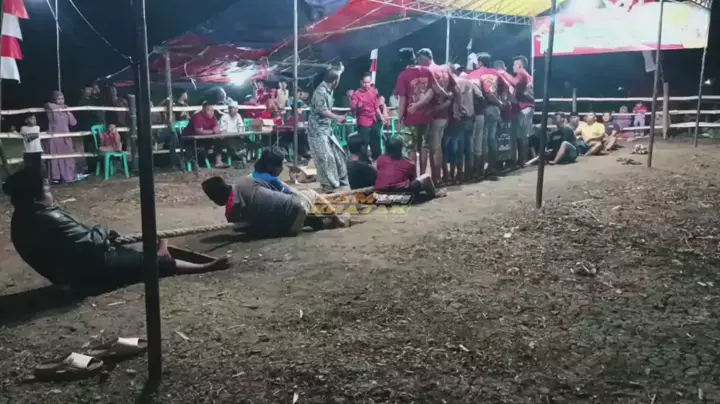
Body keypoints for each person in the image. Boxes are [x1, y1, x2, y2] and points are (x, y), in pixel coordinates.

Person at [3, 167, 230, 293]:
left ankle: (156, 256)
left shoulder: (26, 216)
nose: (51, 194)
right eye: (47, 190)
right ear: (35, 197)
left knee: (127, 253)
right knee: (152, 266)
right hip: (86, 275)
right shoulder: (46, 218)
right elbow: (90, 240)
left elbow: (78, 240)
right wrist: (103, 231)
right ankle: (202, 266)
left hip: (74, 269)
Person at [202, 148, 350, 237]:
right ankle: (338, 220)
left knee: (291, 207)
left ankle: (322, 222)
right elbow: (295, 195)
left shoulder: (232, 214)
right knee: (310, 194)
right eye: (281, 165)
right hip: (292, 218)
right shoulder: (246, 182)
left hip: (281, 228)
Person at [394, 47, 445, 176]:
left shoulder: (403, 76)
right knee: (424, 147)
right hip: (427, 117)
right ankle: (423, 176)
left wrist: (399, 119)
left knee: (411, 148)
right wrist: (448, 95)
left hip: (411, 117)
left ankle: (414, 177)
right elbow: (436, 89)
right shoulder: (426, 71)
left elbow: (402, 100)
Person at [415, 48, 454, 184]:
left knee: (427, 147)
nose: (418, 63)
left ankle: (430, 179)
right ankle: (438, 177)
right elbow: (455, 90)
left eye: (419, 60)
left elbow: (430, 91)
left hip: (431, 114)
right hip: (444, 115)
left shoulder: (427, 71)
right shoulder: (444, 70)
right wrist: (448, 102)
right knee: (437, 147)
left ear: (424, 58)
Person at [308, 67, 349, 192]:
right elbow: (323, 111)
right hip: (317, 130)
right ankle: (328, 184)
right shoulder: (320, 92)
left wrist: (340, 70)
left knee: (338, 153)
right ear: (335, 81)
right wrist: (338, 117)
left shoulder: (328, 89)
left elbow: (336, 75)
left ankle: (340, 179)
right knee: (325, 157)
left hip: (327, 128)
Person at [466, 52, 505, 180]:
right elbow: (505, 89)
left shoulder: (476, 74)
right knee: (492, 138)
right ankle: (491, 168)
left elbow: (485, 93)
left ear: (480, 62)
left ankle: (479, 170)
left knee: (481, 140)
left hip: (481, 109)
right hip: (494, 108)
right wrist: (500, 102)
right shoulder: (496, 73)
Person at [375, 136, 445, 200]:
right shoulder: (409, 162)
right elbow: (413, 180)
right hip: (401, 192)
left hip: (381, 191)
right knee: (426, 177)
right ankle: (435, 193)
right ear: (401, 148)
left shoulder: (380, 159)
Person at [445, 72, 483, 183]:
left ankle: (459, 174)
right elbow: (480, 95)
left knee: (459, 147)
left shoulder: (455, 83)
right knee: (469, 146)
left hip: (461, 117)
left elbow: (453, 96)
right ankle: (468, 173)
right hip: (471, 116)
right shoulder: (469, 82)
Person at [45, 91, 79, 184]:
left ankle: (68, 175)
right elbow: (47, 105)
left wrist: (67, 111)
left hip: (65, 135)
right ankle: (56, 177)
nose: (61, 101)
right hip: (55, 136)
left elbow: (73, 123)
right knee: (56, 156)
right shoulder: (51, 108)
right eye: (58, 99)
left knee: (67, 155)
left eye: (62, 99)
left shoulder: (66, 109)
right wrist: (61, 107)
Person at [183, 102, 229, 168]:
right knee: (215, 138)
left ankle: (218, 162)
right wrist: (213, 131)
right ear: (203, 111)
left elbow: (217, 128)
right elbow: (199, 131)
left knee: (219, 139)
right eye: (209, 110)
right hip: (191, 140)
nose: (211, 112)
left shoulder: (213, 117)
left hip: (205, 138)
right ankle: (195, 162)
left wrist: (215, 131)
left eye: (212, 110)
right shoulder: (197, 117)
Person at [352, 73, 382, 160]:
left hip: (374, 120)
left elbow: (376, 106)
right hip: (363, 121)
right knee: (364, 143)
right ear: (361, 82)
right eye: (365, 82)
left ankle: (376, 160)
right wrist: (358, 107)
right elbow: (353, 108)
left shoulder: (373, 91)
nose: (366, 84)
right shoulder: (356, 94)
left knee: (376, 142)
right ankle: (364, 161)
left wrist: (381, 116)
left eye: (368, 82)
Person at [20, 115, 43, 179]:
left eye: (35, 118)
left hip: (37, 151)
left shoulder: (37, 127)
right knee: (28, 168)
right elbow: (27, 139)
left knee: (37, 168)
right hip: (28, 152)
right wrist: (38, 135)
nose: (34, 120)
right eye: (32, 119)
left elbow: (31, 136)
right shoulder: (23, 128)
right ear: (26, 120)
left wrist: (37, 135)